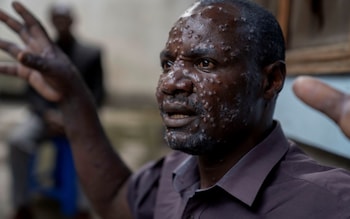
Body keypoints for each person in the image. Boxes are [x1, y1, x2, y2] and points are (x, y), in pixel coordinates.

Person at [1, 0, 350, 218]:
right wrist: (73, 97)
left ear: (270, 80)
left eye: (205, 63)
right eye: (168, 64)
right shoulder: (176, 172)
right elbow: (115, 200)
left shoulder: (327, 201)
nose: (171, 83)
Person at [5, 3, 105, 219]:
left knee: (90, 149)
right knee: (17, 141)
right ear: (51, 21)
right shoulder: (39, 54)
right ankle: (21, 204)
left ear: (72, 20)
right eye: (56, 19)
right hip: (44, 118)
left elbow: (98, 94)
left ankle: (82, 207)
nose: (60, 23)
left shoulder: (91, 54)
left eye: (64, 18)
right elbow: (31, 93)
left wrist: (75, 116)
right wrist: (47, 115)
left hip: (78, 120)